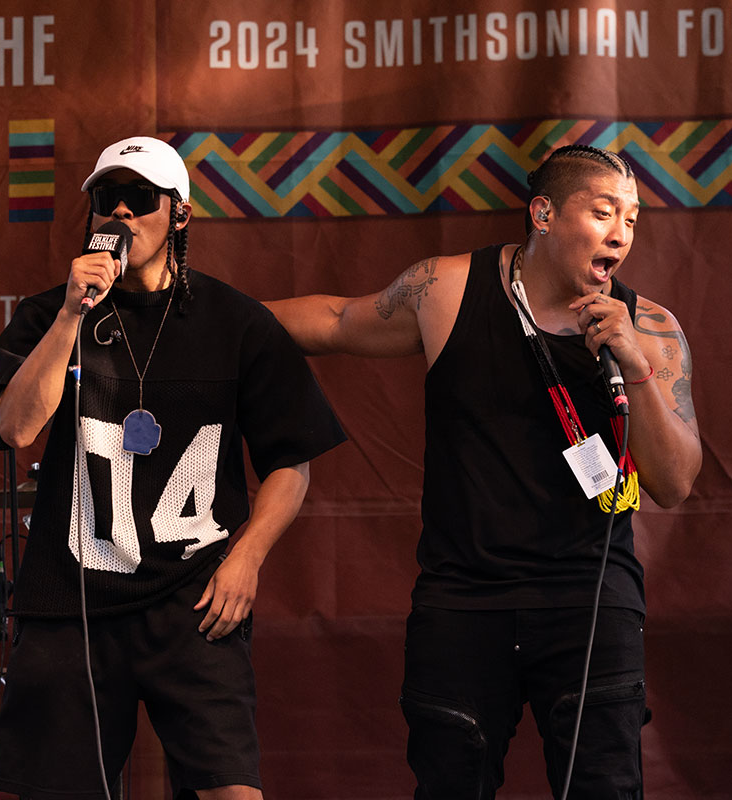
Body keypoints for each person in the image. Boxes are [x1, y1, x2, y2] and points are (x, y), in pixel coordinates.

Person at [266, 144, 701, 798]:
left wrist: (633, 362)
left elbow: (674, 482)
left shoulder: (650, 327)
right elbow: (336, 320)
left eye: (633, 220)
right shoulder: (445, 288)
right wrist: (210, 315)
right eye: (605, 212)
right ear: (544, 214)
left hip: (589, 601)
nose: (621, 234)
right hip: (464, 600)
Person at [0, 136, 345, 800]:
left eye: (139, 199)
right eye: (105, 199)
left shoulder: (238, 323)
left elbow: (291, 462)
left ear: (180, 214)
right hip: (74, 600)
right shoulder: (49, 313)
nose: (119, 214)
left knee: (230, 790)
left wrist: (249, 556)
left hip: (193, 598)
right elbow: (16, 428)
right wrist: (71, 312)